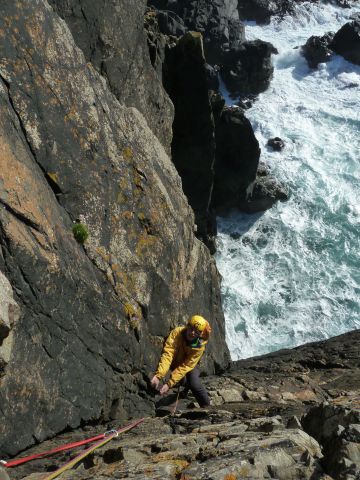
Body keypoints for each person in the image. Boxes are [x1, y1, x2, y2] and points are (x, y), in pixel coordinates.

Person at [150, 315, 212, 407]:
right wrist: (159, 376)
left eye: (197, 332)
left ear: (201, 333)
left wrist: (169, 384)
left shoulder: (199, 346)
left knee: (194, 384)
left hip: (191, 365)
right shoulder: (177, 333)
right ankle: (185, 386)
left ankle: (207, 406)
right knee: (183, 380)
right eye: (191, 329)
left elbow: (186, 365)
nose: (193, 333)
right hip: (176, 361)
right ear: (187, 326)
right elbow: (168, 354)